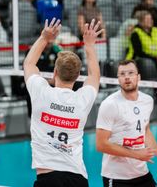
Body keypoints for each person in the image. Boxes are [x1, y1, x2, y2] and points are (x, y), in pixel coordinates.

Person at [23, 18, 101, 187]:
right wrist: (89, 45)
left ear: (55, 72)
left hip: (48, 179)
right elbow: (94, 76)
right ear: (77, 76)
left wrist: (44, 37)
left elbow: (29, 64)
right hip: (78, 179)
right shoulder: (82, 100)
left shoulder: (41, 93)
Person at [96, 59, 157, 187]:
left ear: (138, 77)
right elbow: (101, 145)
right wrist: (137, 155)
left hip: (141, 173)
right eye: (122, 74)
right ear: (118, 79)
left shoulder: (147, 101)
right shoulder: (109, 104)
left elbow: (145, 131)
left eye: (131, 73)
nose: (127, 77)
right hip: (117, 177)